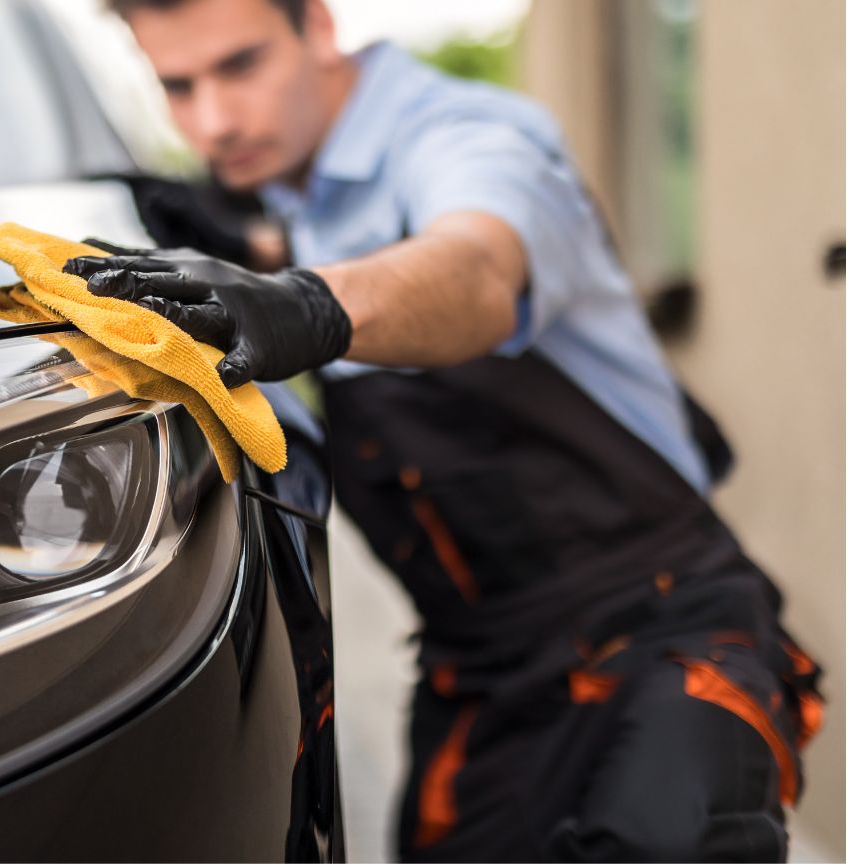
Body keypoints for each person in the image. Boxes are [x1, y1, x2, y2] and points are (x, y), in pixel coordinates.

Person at [65, 0, 825, 860]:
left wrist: (309, 305)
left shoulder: (466, 135)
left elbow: (478, 267)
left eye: (240, 66)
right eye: (178, 86)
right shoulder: (292, 190)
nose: (215, 121)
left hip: (661, 630)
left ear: (317, 25)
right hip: (482, 683)